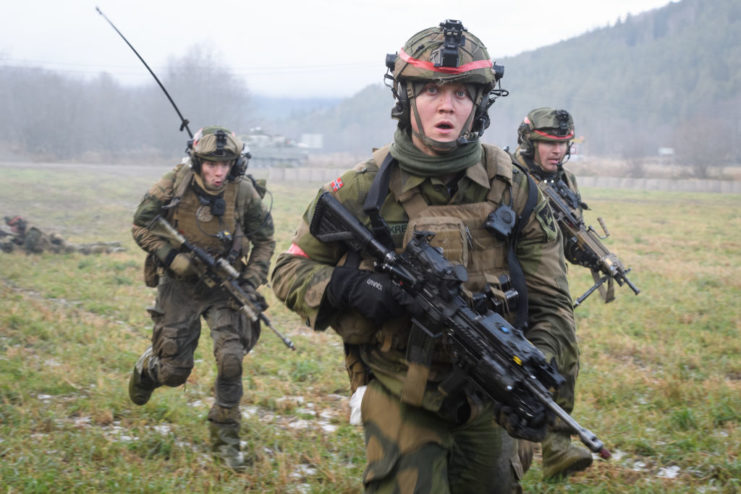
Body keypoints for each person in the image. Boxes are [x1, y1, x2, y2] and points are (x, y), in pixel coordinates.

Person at [271, 20, 579, 493]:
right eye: (432, 90)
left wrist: (534, 369)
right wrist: (351, 286)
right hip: (399, 387)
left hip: (491, 389)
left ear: (479, 103)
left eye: (461, 93)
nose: (446, 105)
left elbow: (552, 303)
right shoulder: (359, 188)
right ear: (406, 96)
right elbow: (288, 269)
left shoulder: (516, 189)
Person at [127, 126, 275, 471]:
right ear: (197, 161)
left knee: (231, 358)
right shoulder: (173, 183)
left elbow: (265, 240)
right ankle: (148, 369)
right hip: (179, 285)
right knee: (175, 371)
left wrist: (250, 281)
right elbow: (141, 225)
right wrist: (170, 256)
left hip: (225, 284)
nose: (218, 172)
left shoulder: (244, 192)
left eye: (225, 164)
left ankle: (226, 441)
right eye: (210, 164)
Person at [511, 108, 595, 479]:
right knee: (513, 367)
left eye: (563, 143)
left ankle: (557, 447)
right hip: (509, 285)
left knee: (564, 359)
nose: (557, 150)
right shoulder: (506, 175)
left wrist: (591, 252)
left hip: (550, 287)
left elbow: (567, 246)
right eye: (548, 142)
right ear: (530, 142)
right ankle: (508, 459)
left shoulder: (566, 183)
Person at [0, 215, 125, 254]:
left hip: (57, 250)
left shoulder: (31, 233)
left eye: (12, 227)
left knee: (85, 250)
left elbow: (26, 250)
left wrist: (7, 244)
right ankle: (112, 244)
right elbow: (21, 239)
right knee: (83, 246)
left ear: (19, 225)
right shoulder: (27, 230)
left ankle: (114, 250)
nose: (12, 229)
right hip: (55, 245)